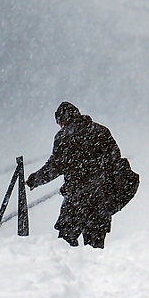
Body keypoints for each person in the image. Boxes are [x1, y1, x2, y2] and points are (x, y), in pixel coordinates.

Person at [25, 101, 123, 249]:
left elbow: (55, 166)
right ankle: (95, 271)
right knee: (95, 247)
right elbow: (115, 161)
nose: (60, 125)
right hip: (101, 198)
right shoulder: (101, 131)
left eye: (59, 122)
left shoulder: (64, 136)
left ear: (63, 119)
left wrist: (35, 180)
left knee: (66, 243)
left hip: (76, 199)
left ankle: (69, 270)